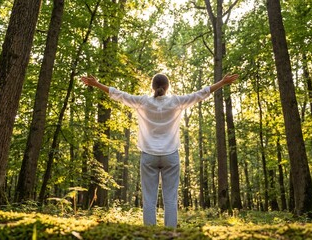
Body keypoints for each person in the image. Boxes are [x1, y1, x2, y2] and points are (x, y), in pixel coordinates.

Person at [81, 73, 238, 228]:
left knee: (149, 198)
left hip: (149, 155)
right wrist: (222, 83)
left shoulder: (143, 102)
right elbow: (200, 94)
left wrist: (97, 84)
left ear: (152, 87)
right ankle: (171, 232)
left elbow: (119, 95)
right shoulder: (176, 102)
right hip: (171, 156)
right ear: (167, 87)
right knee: (170, 197)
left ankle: (150, 233)